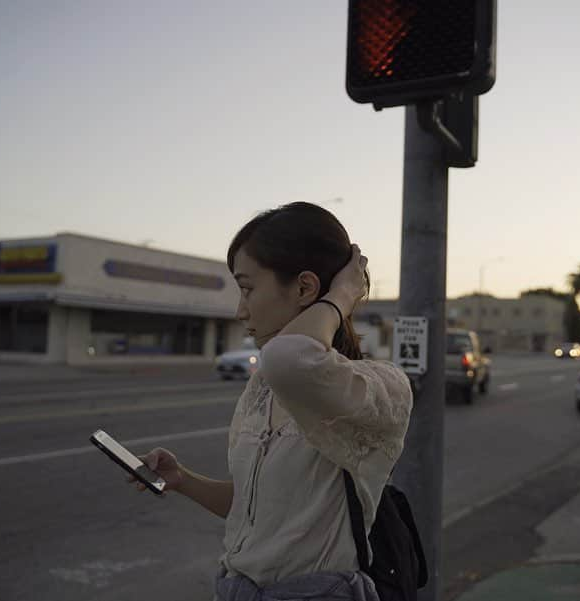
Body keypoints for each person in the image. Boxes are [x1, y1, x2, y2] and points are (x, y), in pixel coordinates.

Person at [129, 202, 413, 601]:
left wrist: (344, 293)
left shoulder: (377, 388)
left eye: (248, 288)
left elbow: (290, 357)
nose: (240, 310)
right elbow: (254, 509)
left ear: (304, 288)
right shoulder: (263, 388)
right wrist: (183, 481)